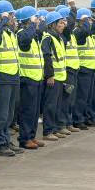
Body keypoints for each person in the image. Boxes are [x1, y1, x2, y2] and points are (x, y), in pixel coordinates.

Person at [0, 0, 20, 158]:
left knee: (9, 114)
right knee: (1, 114)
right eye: (11, 15)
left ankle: (6, 140)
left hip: (13, 76)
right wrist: (3, 20)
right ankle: (0, 143)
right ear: (3, 16)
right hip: (2, 77)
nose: (13, 18)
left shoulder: (9, 33)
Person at [14, 6, 45, 150]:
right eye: (35, 18)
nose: (37, 20)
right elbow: (26, 41)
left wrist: (39, 24)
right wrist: (33, 24)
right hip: (27, 78)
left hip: (36, 78)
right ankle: (25, 138)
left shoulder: (33, 34)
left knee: (35, 111)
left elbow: (39, 31)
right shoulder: (22, 34)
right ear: (28, 20)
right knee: (27, 110)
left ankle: (31, 136)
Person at [40, 10, 68, 141]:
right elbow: (47, 57)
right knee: (50, 105)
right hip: (53, 77)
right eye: (60, 23)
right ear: (53, 24)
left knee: (57, 105)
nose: (63, 25)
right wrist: (50, 75)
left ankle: (55, 128)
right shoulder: (48, 38)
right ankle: (48, 131)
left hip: (60, 76)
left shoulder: (59, 38)